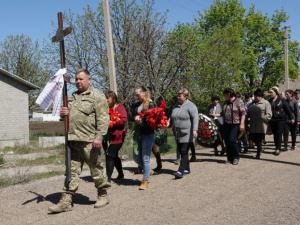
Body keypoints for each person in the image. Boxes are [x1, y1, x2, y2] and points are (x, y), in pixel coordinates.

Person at [48, 68, 111, 213]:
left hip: (90, 140)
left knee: (97, 169)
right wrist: (63, 114)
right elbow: (65, 116)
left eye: (81, 79)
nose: (78, 82)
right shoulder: (71, 97)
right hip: (73, 140)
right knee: (71, 171)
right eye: (76, 79)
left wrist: (99, 137)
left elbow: (103, 118)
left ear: (89, 79)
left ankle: (103, 195)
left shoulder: (97, 96)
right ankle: (66, 201)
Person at [169, 88, 198, 179]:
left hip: (187, 132)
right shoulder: (176, 105)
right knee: (181, 151)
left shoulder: (191, 105)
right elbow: (172, 116)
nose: (178, 97)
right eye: (177, 95)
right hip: (177, 132)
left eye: (180, 96)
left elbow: (195, 118)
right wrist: (168, 122)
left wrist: (195, 129)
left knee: (184, 151)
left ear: (185, 96)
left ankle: (180, 171)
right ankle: (187, 169)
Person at [132, 86, 155, 190]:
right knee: (136, 157)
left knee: (145, 158)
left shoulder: (151, 104)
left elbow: (153, 121)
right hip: (138, 133)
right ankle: (148, 169)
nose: (136, 97)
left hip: (148, 133)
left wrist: (143, 122)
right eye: (135, 95)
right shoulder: (137, 105)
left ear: (144, 93)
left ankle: (145, 180)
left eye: (138, 94)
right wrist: (135, 118)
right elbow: (131, 115)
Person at [103, 91, 127, 182]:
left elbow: (123, 120)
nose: (106, 100)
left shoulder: (119, 107)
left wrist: (112, 123)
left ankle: (107, 179)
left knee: (110, 155)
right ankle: (121, 174)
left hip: (118, 136)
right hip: (107, 137)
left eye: (108, 97)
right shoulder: (105, 108)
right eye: (105, 98)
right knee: (113, 156)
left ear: (113, 98)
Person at [222, 88, 246, 165]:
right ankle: (229, 158)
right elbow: (222, 113)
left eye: (225, 95)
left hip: (236, 123)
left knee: (232, 139)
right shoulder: (225, 102)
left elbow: (243, 113)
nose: (225, 96)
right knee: (227, 141)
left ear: (229, 94)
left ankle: (236, 157)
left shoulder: (238, 101)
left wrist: (242, 124)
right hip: (226, 124)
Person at [268, 87, 294, 156]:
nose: (270, 94)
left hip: (281, 119)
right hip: (272, 119)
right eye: (270, 93)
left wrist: (292, 118)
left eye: (271, 92)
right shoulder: (269, 101)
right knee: (275, 134)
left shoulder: (282, 100)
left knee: (279, 133)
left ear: (275, 93)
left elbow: (287, 109)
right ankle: (276, 147)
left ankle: (278, 149)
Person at [247, 88, 272, 159]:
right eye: (254, 96)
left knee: (258, 139)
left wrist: (262, 118)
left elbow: (269, 114)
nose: (254, 98)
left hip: (261, 125)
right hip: (252, 124)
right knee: (253, 138)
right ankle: (260, 149)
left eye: (256, 96)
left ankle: (258, 152)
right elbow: (248, 112)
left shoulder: (266, 103)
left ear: (260, 96)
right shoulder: (252, 104)